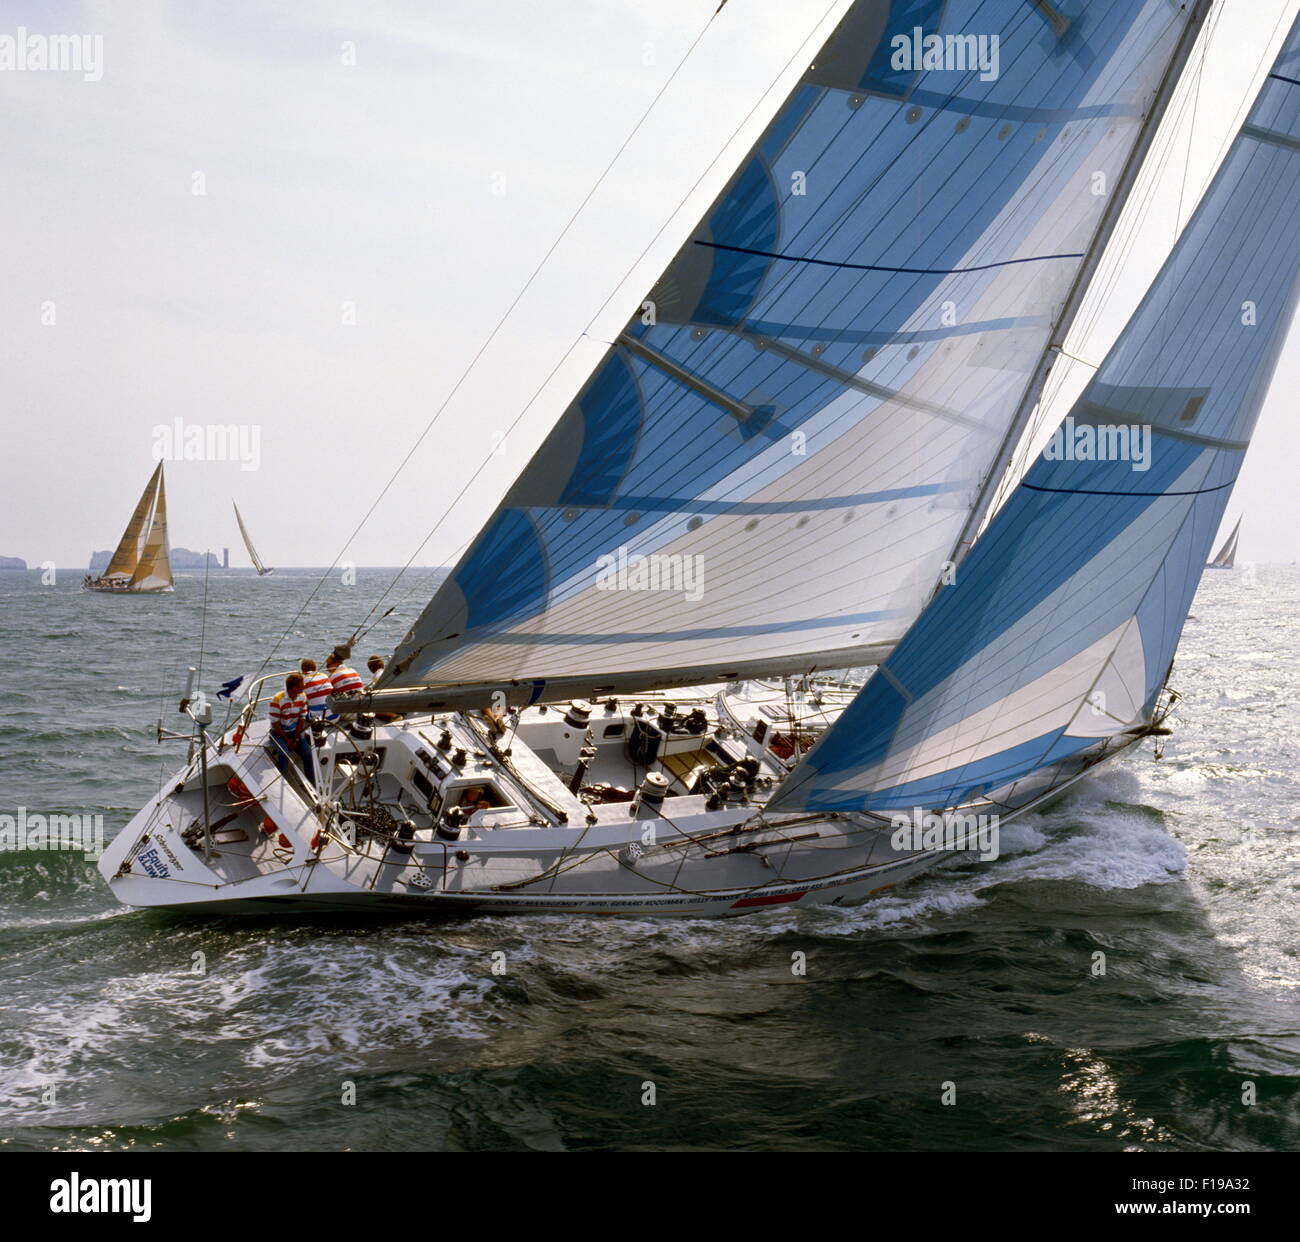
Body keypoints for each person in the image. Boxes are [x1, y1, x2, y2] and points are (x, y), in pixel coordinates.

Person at [268, 673, 315, 783]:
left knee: (308, 754)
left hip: (295, 732)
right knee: (284, 754)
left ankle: (311, 782)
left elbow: (302, 718)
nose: (304, 686)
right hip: (278, 733)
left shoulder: (303, 696)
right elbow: (275, 724)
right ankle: (283, 780)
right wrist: (288, 740)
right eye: (302, 684)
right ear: (294, 687)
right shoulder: (277, 699)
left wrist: (296, 739)